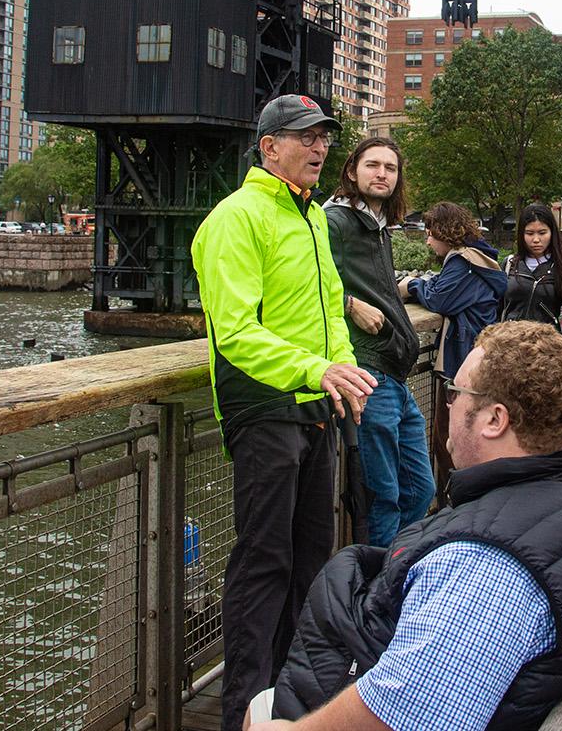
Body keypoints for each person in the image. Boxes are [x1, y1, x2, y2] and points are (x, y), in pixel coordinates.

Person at [258, 321, 562, 731]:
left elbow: (406, 714)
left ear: (495, 419)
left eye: (456, 393)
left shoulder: (487, 568)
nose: (448, 404)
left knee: (259, 710)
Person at [191, 93, 378, 731]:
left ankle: (292, 703)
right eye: (305, 137)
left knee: (311, 561)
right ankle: (242, 708)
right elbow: (235, 332)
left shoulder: (312, 218)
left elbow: (330, 311)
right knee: (263, 561)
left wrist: (345, 372)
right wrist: (316, 370)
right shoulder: (235, 218)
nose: (320, 147)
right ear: (269, 147)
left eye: (324, 136)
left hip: (315, 405)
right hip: (264, 404)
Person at [325, 137, 434, 546]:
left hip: (393, 375)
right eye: (373, 165)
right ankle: (380, 587)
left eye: (390, 168)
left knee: (420, 489)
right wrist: (349, 303)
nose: (382, 174)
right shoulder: (336, 221)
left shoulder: (378, 226)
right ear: (353, 170)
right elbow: (304, 279)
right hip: (367, 372)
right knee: (381, 496)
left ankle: (398, 568)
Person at [398, 202, 505, 383]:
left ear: (443, 232)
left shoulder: (464, 261)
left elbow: (439, 300)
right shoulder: (473, 255)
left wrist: (410, 285)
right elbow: (438, 284)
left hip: (467, 351)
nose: (428, 242)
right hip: (479, 344)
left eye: (430, 235)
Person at [499, 201, 562, 327]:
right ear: (521, 234)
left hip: (546, 342)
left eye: (542, 233)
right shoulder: (509, 264)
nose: (536, 240)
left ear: (552, 232)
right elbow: (497, 308)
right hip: (510, 341)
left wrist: (560, 343)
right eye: (529, 233)